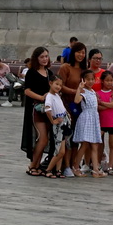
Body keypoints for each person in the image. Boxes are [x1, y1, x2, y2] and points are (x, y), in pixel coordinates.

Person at [22, 46, 53, 176]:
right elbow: (27, 90)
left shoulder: (49, 73)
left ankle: (36, 164)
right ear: (36, 58)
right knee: (42, 138)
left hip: (47, 109)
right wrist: (41, 97)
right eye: (42, 57)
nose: (45, 59)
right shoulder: (32, 72)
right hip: (36, 108)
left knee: (43, 139)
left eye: (46, 56)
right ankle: (32, 165)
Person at [71, 69, 103, 177]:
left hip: (94, 118)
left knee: (94, 145)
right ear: (83, 80)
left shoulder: (93, 91)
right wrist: (79, 88)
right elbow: (76, 101)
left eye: (92, 79)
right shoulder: (83, 91)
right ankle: (76, 167)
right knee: (84, 144)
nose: (90, 81)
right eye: (88, 79)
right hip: (86, 118)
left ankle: (95, 169)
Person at [42, 77, 70, 179]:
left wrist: (66, 113)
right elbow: (48, 109)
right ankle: (48, 170)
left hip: (63, 123)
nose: (58, 87)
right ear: (50, 83)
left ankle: (58, 170)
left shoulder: (57, 96)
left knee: (62, 149)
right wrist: (52, 121)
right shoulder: (49, 96)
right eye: (56, 84)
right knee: (60, 151)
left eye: (60, 85)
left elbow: (61, 107)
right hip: (58, 126)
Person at [97, 69, 113, 175]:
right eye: (107, 80)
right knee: (99, 144)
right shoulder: (97, 93)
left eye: (111, 81)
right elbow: (97, 107)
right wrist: (107, 105)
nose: (109, 83)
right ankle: (97, 164)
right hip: (101, 121)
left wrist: (102, 103)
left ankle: (111, 166)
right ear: (102, 81)